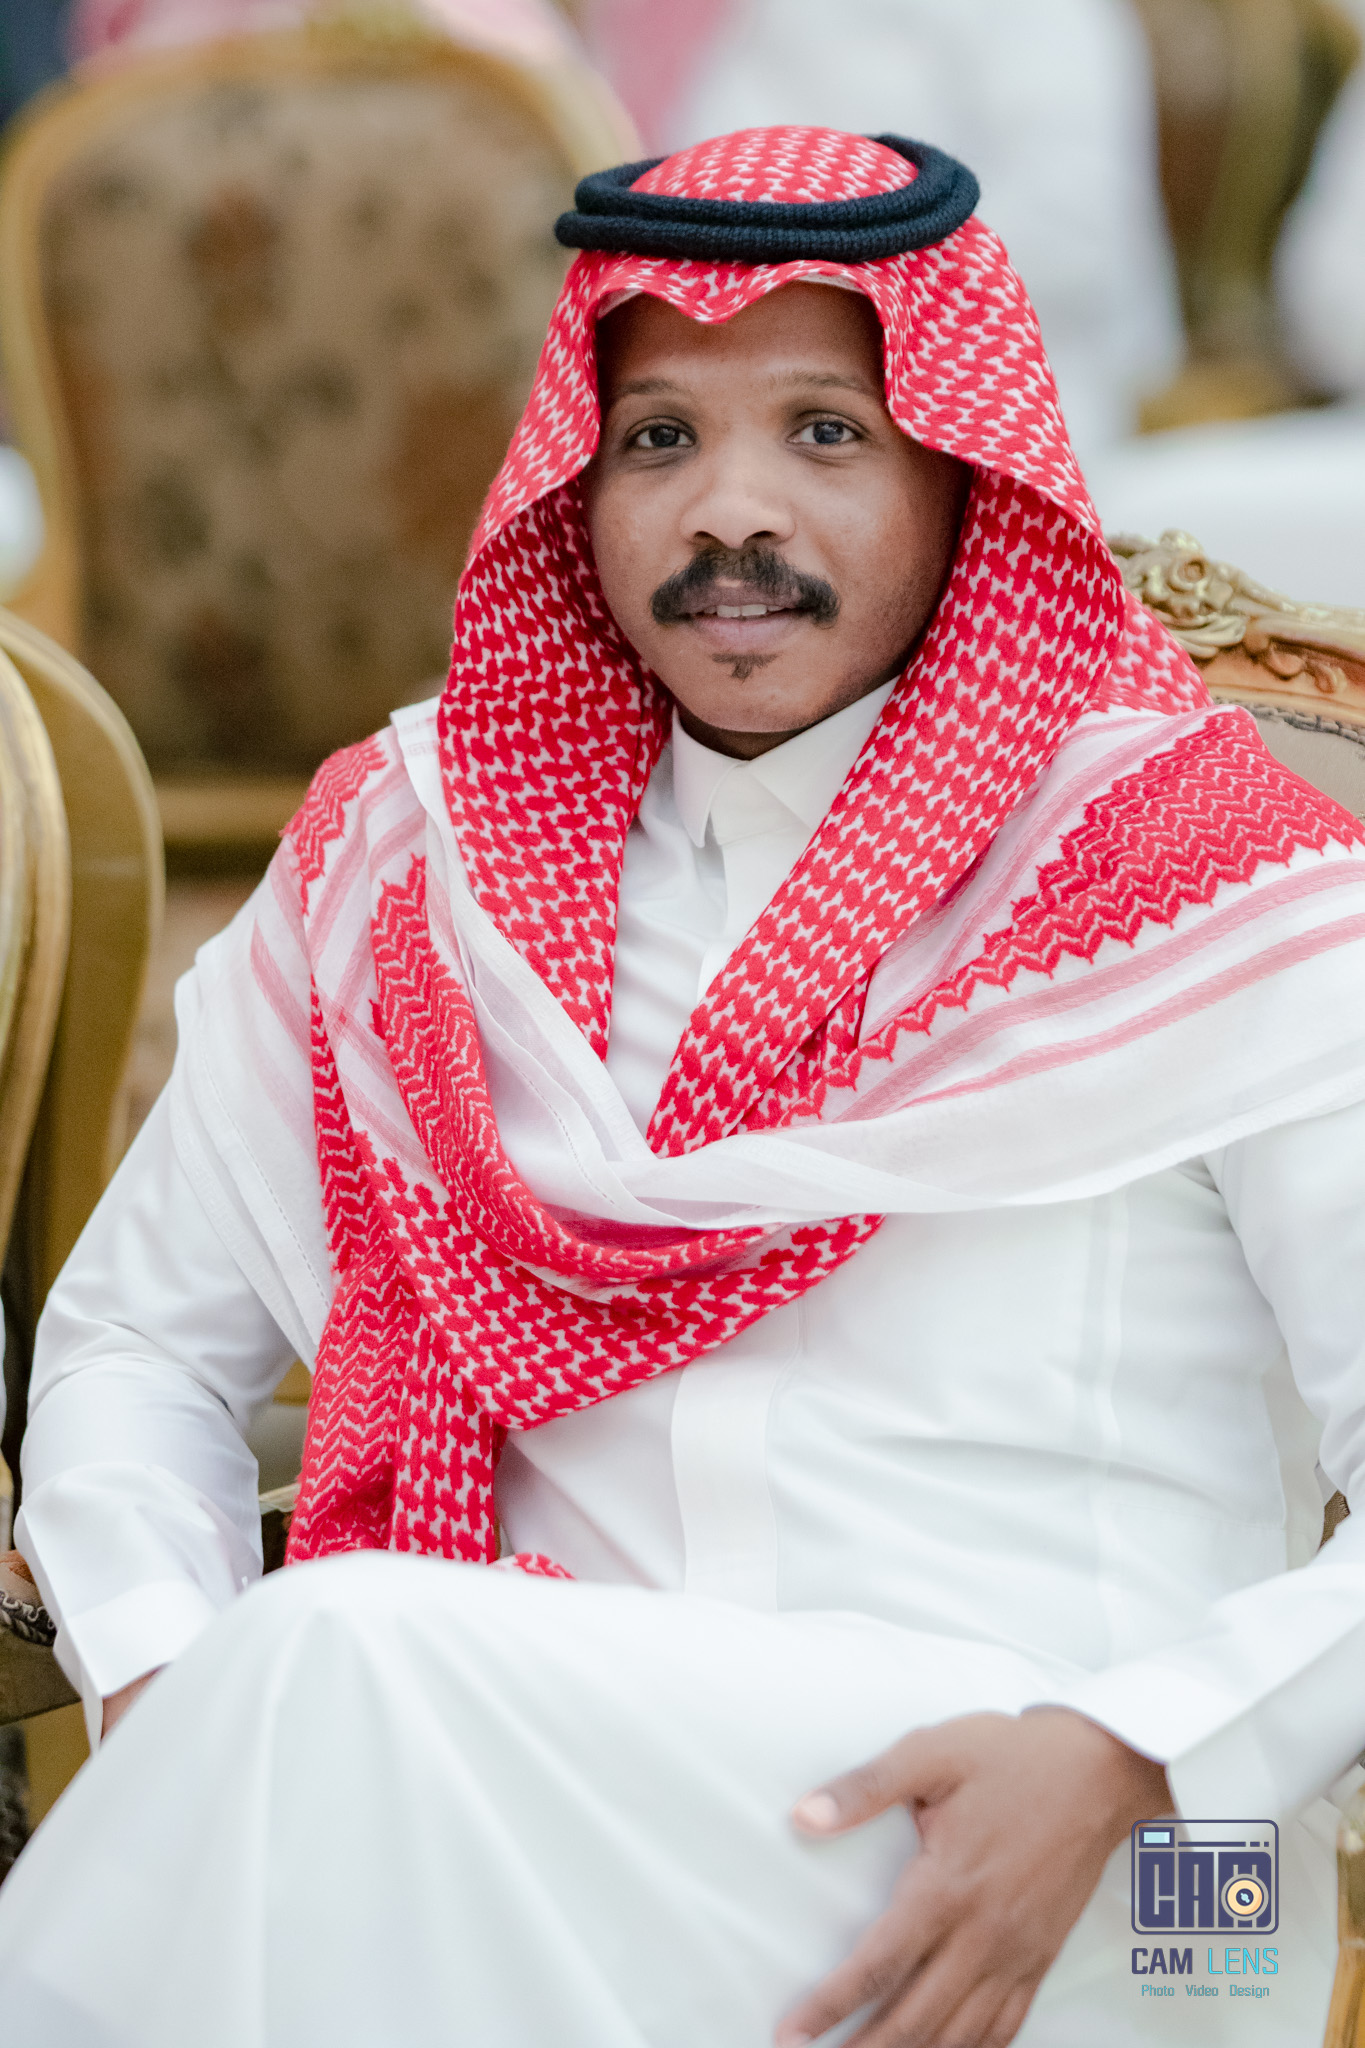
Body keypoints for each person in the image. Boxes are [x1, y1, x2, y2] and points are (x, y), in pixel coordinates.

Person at [1, 126, 1364, 2048]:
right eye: (658, 439)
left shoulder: (1205, 890)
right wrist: (174, 1695)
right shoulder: (412, 876)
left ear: (960, 470)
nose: (732, 512)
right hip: (498, 1808)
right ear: (576, 480)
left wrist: (1135, 1748)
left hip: (1082, 1874)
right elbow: (138, 1344)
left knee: (336, 1657)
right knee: (323, 1696)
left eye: (825, 433)